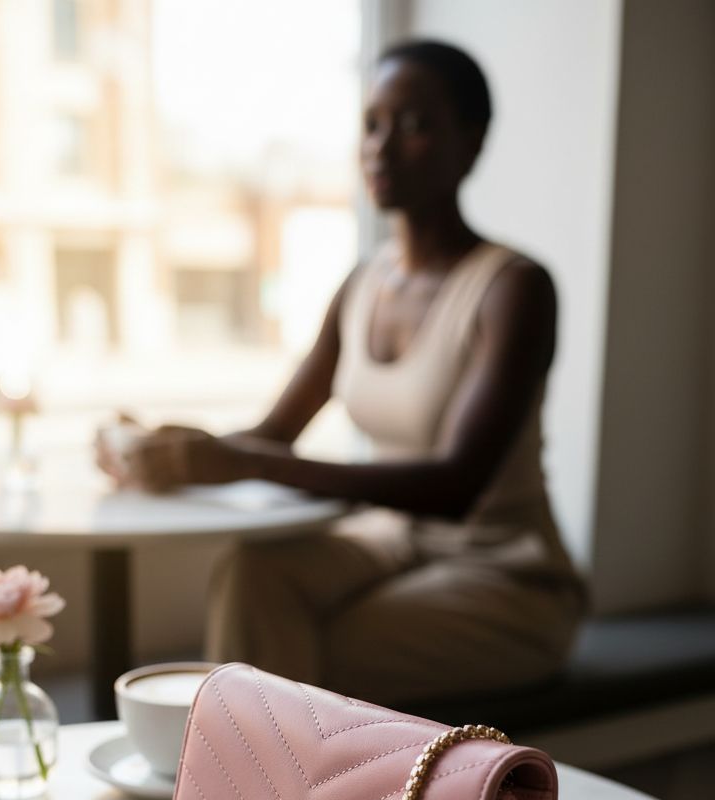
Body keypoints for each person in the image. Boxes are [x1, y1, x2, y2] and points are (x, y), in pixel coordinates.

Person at [97, 39, 587, 707]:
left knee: (301, 650)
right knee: (251, 575)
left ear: (471, 145)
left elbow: (456, 485)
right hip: (391, 543)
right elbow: (272, 434)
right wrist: (163, 451)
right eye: (372, 124)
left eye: (413, 125)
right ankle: (257, 799)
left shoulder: (514, 288)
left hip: (503, 571)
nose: (381, 147)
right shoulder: (364, 282)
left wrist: (236, 460)